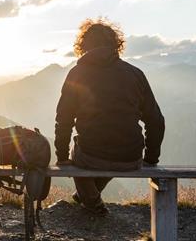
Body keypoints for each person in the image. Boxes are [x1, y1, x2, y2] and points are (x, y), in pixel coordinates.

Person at [54, 17, 165, 216]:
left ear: (84, 45)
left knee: (77, 151)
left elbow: (64, 119)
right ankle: (84, 196)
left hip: (91, 156)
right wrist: (151, 158)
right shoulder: (135, 74)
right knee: (112, 147)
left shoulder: (77, 73)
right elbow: (156, 120)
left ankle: (93, 204)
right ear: (116, 44)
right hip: (130, 157)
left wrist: (61, 156)